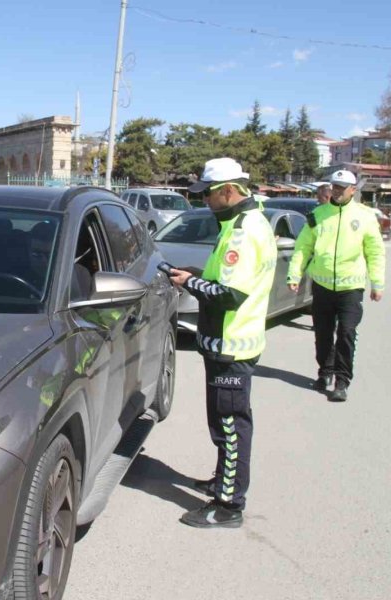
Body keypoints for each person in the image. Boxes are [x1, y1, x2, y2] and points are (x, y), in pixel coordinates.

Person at [167, 158, 276, 529]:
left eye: (207, 195)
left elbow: (229, 295)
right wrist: (196, 276)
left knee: (230, 427)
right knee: (224, 424)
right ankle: (223, 482)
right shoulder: (238, 223)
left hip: (232, 346)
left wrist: (188, 283)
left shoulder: (244, 232)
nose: (203, 202)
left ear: (228, 191)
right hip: (225, 342)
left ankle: (229, 506)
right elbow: (222, 279)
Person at [286, 170, 385, 402]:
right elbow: (303, 248)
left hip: (351, 287)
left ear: (353, 190)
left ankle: (342, 380)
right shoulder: (317, 215)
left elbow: (375, 252)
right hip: (322, 286)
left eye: (342, 187)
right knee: (322, 334)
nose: (337, 191)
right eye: (335, 186)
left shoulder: (366, 216)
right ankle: (325, 372)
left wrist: (377, 283)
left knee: (346, 333)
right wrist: (294, 275)